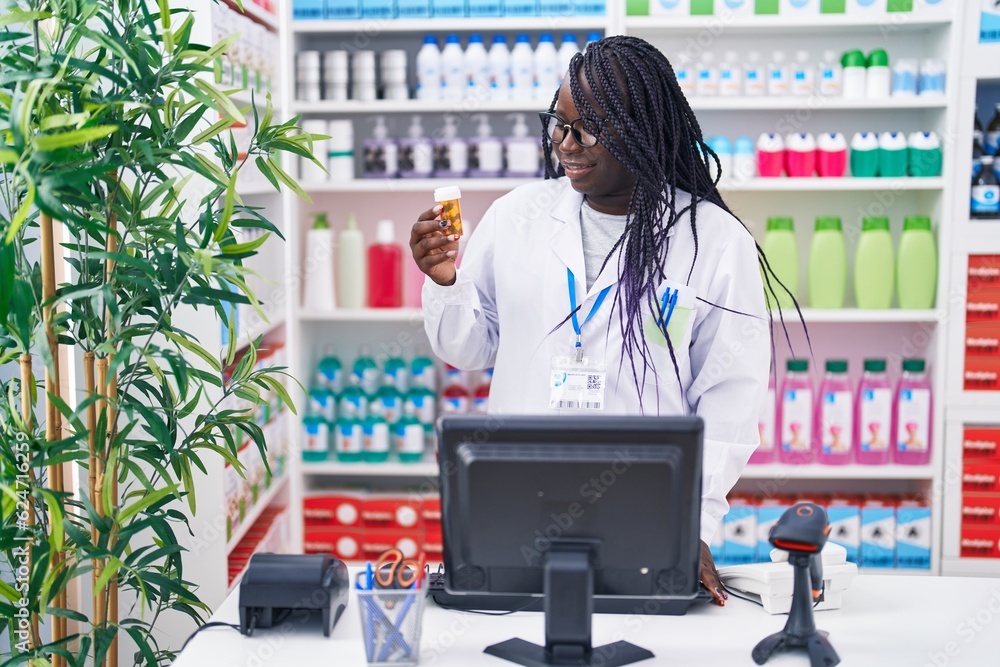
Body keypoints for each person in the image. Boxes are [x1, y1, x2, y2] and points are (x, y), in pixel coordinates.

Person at [410, 36, 780, 607]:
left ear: (642, 130)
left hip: (647, 508)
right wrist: (445, 282)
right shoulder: (517, 217)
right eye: (558, 123)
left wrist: (692, 525)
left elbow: (731, 400)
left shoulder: (712, 241)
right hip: (517, 499)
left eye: (588, 128)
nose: (565, 143)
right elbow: (470, 346)